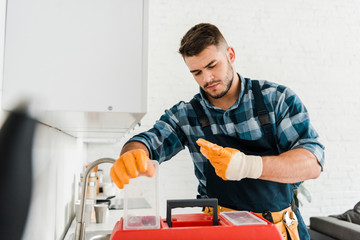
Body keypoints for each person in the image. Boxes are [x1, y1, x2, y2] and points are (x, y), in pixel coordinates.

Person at [110, 23, 324, 240]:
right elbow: (149, 141)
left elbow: (312, 162)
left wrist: (246, 165)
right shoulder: (187, 115)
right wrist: (132, 153)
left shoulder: (276, 99)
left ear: (230, 55)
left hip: (278, 231)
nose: (207, 78)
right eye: (196, 72)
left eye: (212, 65)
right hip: (219, 231)